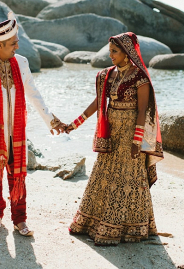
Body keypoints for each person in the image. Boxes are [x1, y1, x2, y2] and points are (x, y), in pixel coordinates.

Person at [0, 12, 67, 237]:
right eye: (13, 43)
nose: (17, 47)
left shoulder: (21, 63)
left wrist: (50, 119)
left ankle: (20, 220)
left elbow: (33, 93)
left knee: (17, 177)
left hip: (16, 133)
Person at [67, 32, 164, 245]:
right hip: (111, 134)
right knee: (104, 176)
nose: (110, 55)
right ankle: (93, 223)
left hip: (131, 135)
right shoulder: (106, 75)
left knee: (128, 179)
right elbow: (97, 103)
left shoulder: (140, 78)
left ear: (127, 53)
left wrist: (137, 141)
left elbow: (142, 111)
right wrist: (74, 124)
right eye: (110, 51)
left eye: (114, 52)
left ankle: (129, 228)